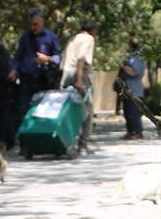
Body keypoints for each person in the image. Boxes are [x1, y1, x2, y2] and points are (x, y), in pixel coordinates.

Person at [8, 8, 62, 126]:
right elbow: (18, 56)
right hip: (26, 78)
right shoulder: (25, 37)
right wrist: (14, 69)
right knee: (23, 109)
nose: (33, 27)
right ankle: (25, 140)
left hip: (43, 79)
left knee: (42, 110)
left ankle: (40, 136)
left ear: (43, 21)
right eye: (31, 24)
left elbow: (58, 58)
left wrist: (47, 59)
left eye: (36, 24)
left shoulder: (51, 37)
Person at [60, 19, 97, 154]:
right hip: (78, 73)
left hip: (66, 73)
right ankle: (82, 145)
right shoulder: (88, 39)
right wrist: (80, 79)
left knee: (67, 110)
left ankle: (65, 140)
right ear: (93, 30)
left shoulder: (72, 39)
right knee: (87, 110)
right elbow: (81, 59)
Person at [119, 38, 147, 140]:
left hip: (135, 90)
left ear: (131, 45)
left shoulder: (136, 57)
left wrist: (123, 66)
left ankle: (138, 132)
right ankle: (130, 131)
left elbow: (134, 72)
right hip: (127, 90)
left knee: (134, 113)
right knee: (127, 112)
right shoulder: (130, 57)